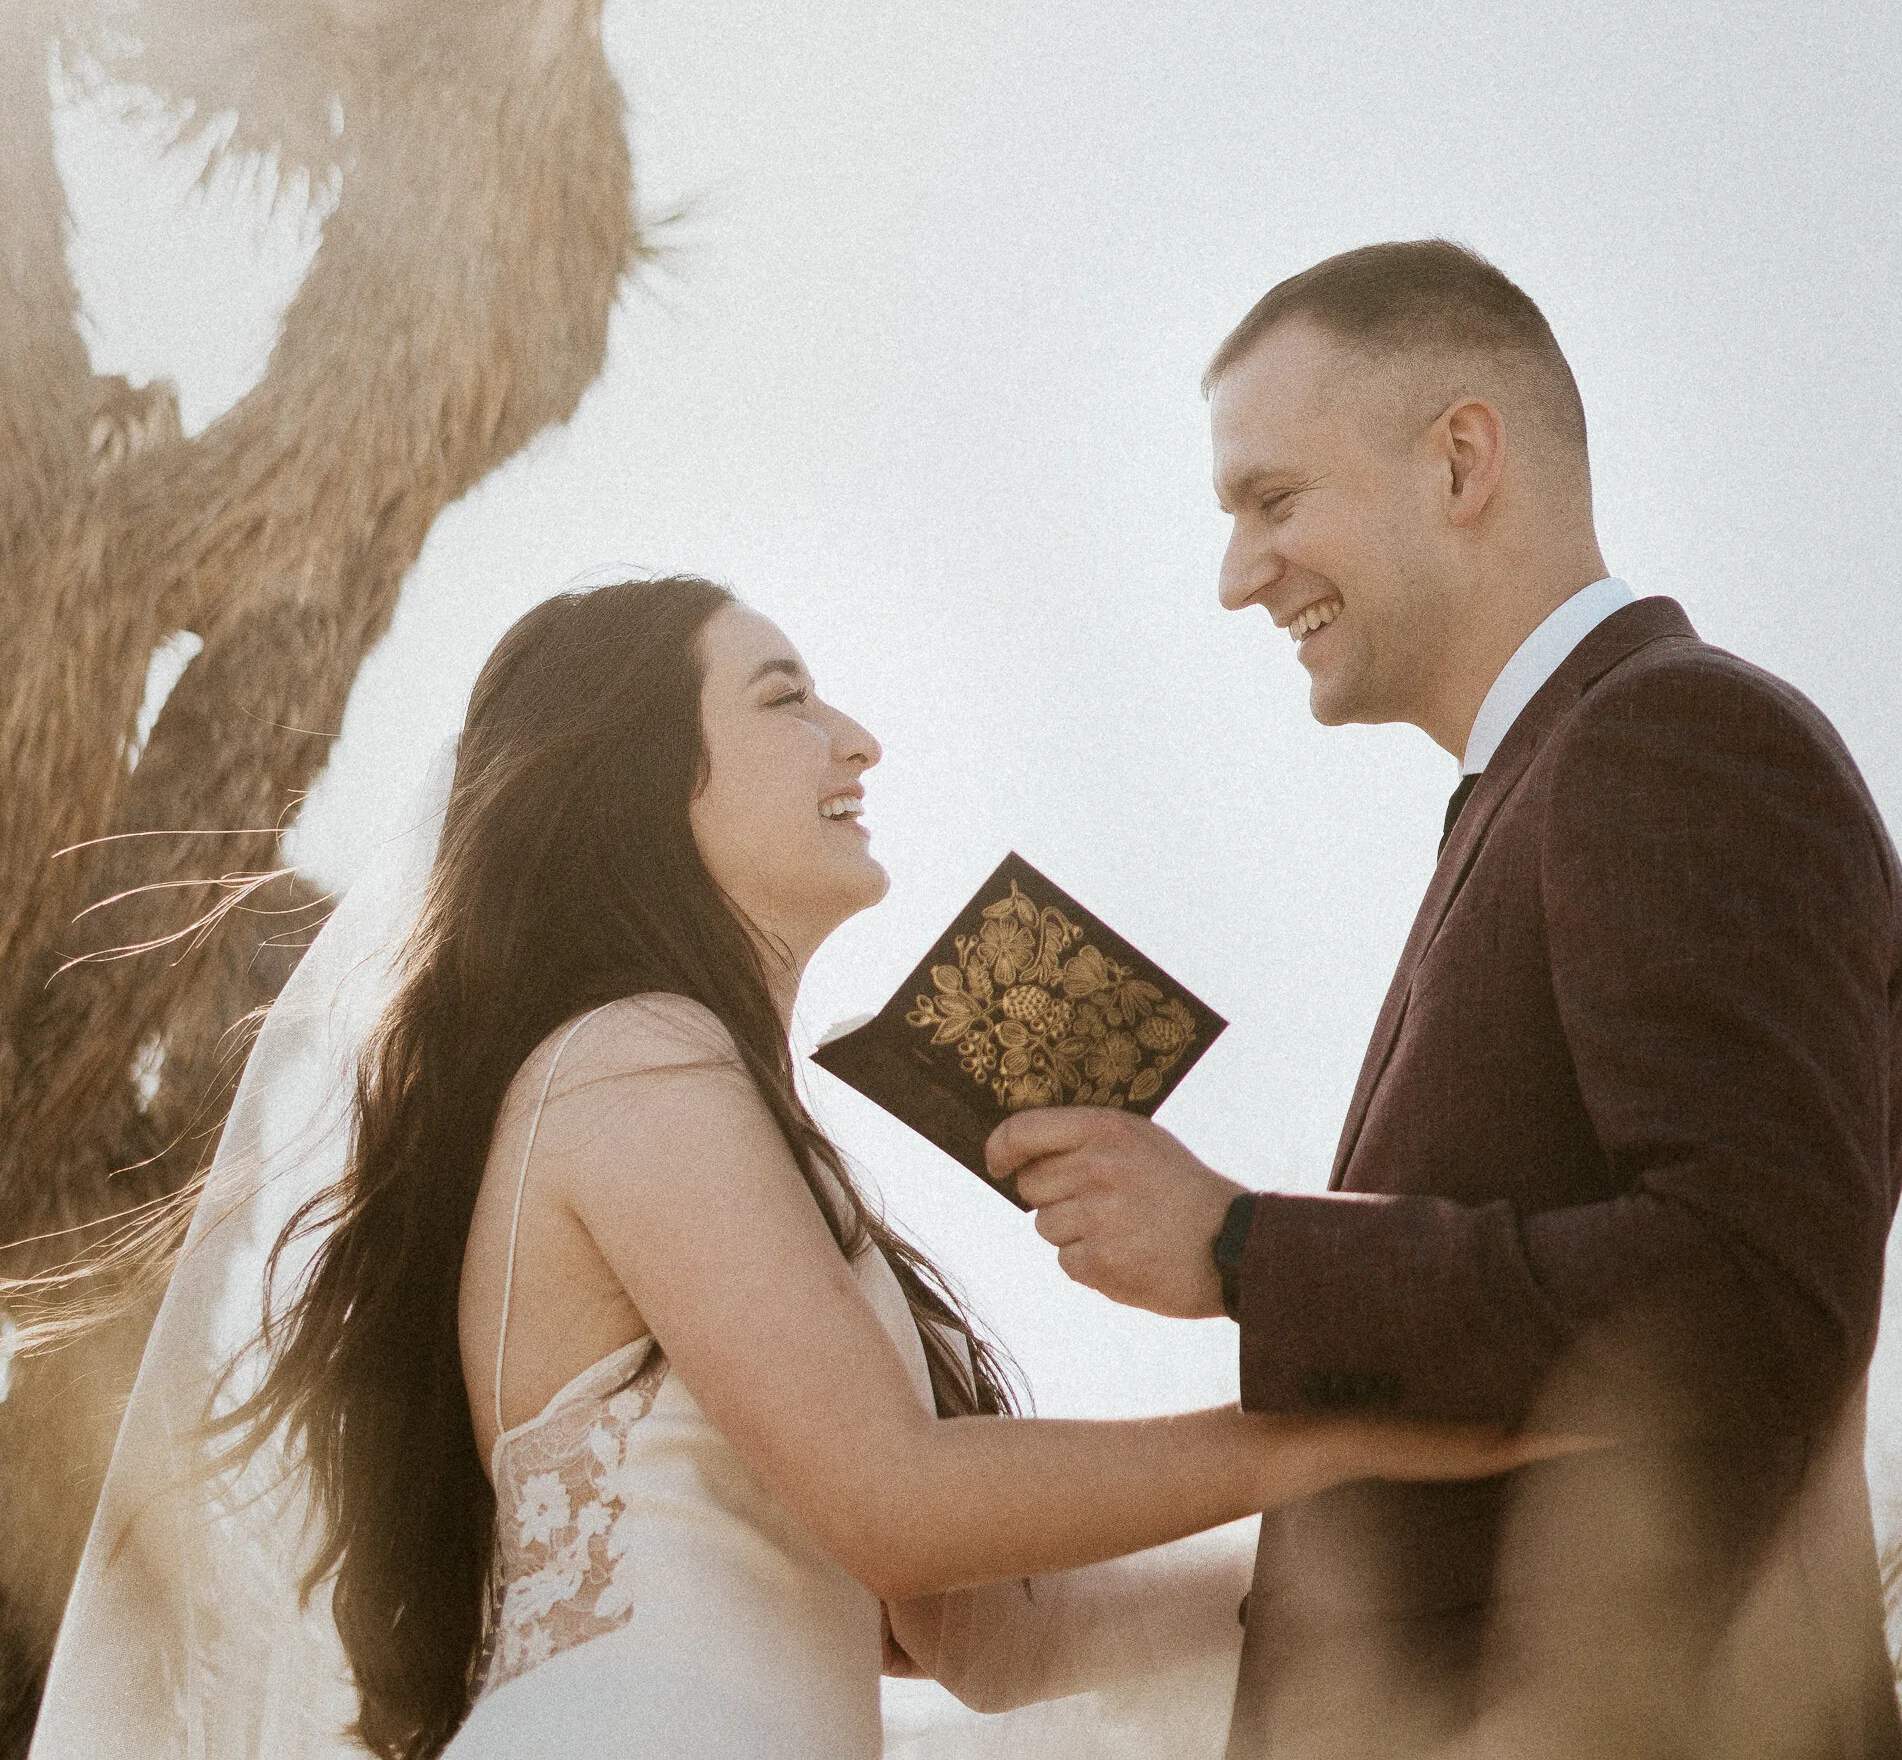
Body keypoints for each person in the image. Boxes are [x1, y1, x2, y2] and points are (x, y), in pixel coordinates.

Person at [31, 573, 1561, 1760]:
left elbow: (995, 1639)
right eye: (785, 698)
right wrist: (1336, 1428)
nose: (856, 738)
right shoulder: (628, 1052)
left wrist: (1394, 1544)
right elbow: (894, 1498)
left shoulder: (725, 1120)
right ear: (643, 774)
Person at [987, 240, 1902, 1758]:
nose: (1237, 577)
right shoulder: (1543, 788)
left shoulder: (1674, 738)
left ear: (1462, 460)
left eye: (1273, 501)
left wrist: (1241, 1250)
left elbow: (1754, 1295)